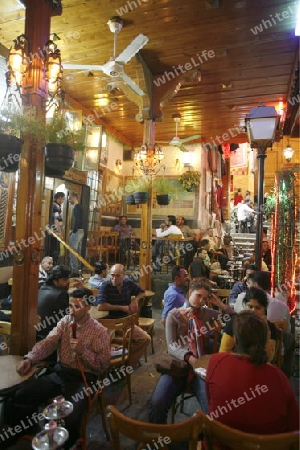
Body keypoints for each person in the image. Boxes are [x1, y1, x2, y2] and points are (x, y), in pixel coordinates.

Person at [9, 288, 111, 448]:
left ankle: (68, 444)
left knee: (70, 417)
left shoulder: (99, 332)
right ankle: (29, 435)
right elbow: (49, 342)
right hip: (61, 373)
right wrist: (30, 358)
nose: (71, 311)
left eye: (76, 307)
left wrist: (83, 351)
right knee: (22, 395)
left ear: (88, 307)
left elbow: (102, 365)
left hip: (84, 379)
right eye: (70, 306)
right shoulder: (65, 322)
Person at [149, 280, 234, 424]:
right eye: (198, 296)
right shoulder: (174, 315)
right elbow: (171, 346)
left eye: (205, 298)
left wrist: (221, 305)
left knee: (212, 410)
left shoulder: (208, 314)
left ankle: (205, 442)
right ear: (190, 293)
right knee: (158, 402)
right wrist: (189, 358)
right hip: (178, 366)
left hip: (200, 369)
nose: (201, 301)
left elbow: (235, 319)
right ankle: (158, 440)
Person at [206, 311, 299, 435]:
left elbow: (210, 402)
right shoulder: (279, 377)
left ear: (235, 340)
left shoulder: (216, 362)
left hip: (219, 444)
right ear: (266, 341)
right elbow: (294, 428)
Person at [96, 264, 150, 366]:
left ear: (124, 275)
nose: (114, 278)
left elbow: (142, 292)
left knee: (145, 339)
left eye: (117, 276)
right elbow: (100, 306)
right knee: (102, 345)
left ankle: (126, 365)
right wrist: (121, 307)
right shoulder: (105, 285)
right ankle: (119, 362)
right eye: (112, 275)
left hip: (126, 322)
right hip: (110, 324)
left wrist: (135, 300)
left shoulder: (128, 283)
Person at [220, 287, 277, 362]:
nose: (253, 311)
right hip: (234, 364)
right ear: (245, 306)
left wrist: (265, 329)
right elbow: (223, 352)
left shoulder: (270, 328)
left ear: (264, 309)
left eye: (258, 308)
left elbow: (268, 358)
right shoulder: (234, 322)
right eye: (250, 307)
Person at [37, 265, 71, 342]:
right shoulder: (61, 294)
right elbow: (68, 319)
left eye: (68, 278)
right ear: (55, 281)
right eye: (65, 280)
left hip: (36, 335)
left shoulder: (41, 289)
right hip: (50, 339)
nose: (68, 282)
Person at [68, 192, 84, 277]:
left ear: (74, 197)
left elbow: (77, 220)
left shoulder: (77, 207)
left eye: (70, 198)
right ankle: (78, 269)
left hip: (77, 231)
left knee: (73, 251)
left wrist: (73, 231)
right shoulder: (80, 207)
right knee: (78, 252)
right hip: (81, 231)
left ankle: (74, 271)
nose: (69, 200)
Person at [48, 191, 65, 264]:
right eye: (63, 199)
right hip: (55, 231)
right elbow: (56, 220)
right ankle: (53, 265)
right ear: (60, 198)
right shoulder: (56, 206)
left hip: (53, 230)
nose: (63, 201)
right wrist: (60, 232)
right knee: (55, 250)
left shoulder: (54, 205)